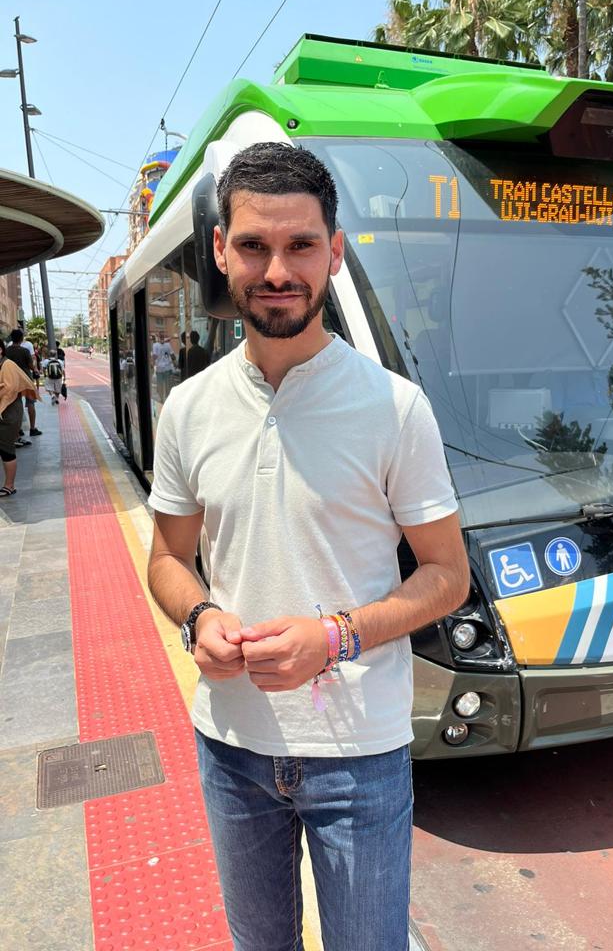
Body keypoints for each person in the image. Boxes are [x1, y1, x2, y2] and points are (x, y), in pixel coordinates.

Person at [147, 143, 468, 951]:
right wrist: (198, 619)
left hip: (358, 755)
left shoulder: (395, 409)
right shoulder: (187, 408)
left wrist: (335, 637)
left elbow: (447, 575)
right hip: (230, 746)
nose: (277, 270)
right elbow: (168, 560)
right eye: (254, 246)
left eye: (300, 246)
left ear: (335, 250)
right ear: (221, 249)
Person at [0, 338, 39, 497]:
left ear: (1, 349)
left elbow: (10, 388)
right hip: (4, 410)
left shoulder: (7, 365)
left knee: (6, 448)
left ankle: (9, 486)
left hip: (8, 413)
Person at [4, 329, 41, 438]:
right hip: (25, 379)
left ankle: (18, 430)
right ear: (21, 339)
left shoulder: (7, 351)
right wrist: (35, 366)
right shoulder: (25, 351)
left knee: (16, 404)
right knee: (30, 403)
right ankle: (32, 428)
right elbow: (31, 366)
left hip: (12, 379)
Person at [152, 331, 175, 401]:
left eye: (162, 336)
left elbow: (154, 356)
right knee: (167, 386)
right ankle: (165, 399)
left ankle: (163, 400)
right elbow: (172, 355)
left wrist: (152, 362)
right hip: (165, 369)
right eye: (161, 336)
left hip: (161, 369)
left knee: (161, 386)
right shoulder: (167, 345)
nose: (162, 337)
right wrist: (175, 363)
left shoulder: (155, 345)